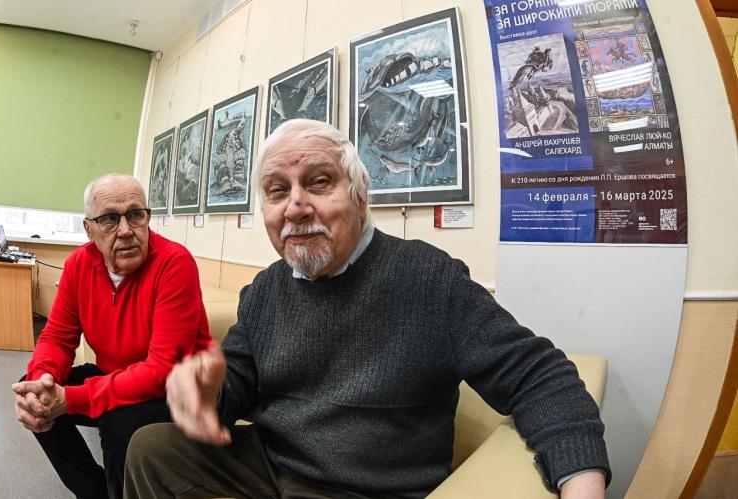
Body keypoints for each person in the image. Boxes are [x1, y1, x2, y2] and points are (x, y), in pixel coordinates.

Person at [124, 120, 611, 498]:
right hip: (274, 461)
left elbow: (540, 378)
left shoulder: (430, 279)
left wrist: (580, 479)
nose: (295, 206)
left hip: (366, 486)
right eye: (277, 191)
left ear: (360, 196)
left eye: (318, 182)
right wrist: (207, 390)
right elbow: (238, 383)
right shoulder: (266, 289)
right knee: (150, 448)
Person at [12, 174, 213, 499]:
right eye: (109, 218)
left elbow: (161, 369)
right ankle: (94, 492)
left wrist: (74, 399)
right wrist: (42, 381)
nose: (126, 230)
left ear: (147, 217)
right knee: (39, 400)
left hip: (178, 390)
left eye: (135, 215)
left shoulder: (175, 263)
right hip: (115, 375)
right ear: (88, 229)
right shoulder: (79, 264)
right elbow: (58, 337)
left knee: (120, 422)